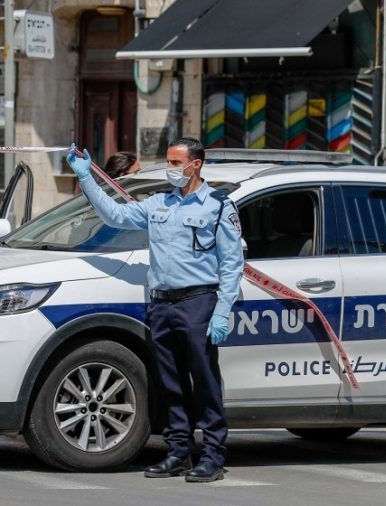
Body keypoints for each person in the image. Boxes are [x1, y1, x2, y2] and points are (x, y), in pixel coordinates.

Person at [67, 137, 244, 482]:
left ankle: (212, 455)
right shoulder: (158, 203)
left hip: (198, 302)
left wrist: (222, 310)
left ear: (196, 164)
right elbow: (115, 216)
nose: (170, 169)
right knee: (170, 382)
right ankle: (178, 452)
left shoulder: (218, 206)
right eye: (169, 162)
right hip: (162, 304)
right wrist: (86, 177)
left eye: (176, 163)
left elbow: (232, 263)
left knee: (205, 382)